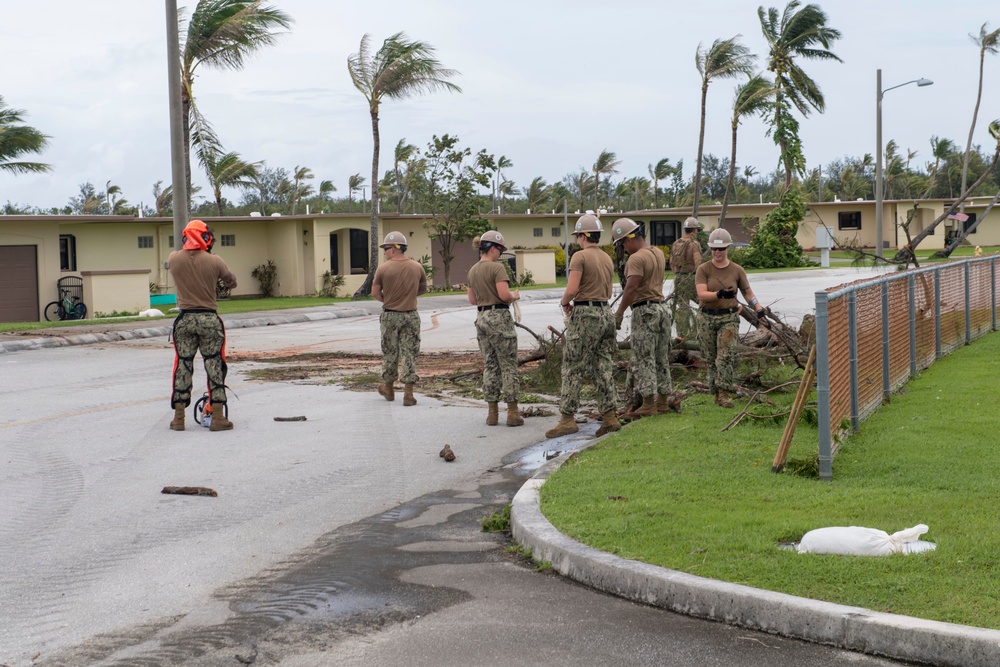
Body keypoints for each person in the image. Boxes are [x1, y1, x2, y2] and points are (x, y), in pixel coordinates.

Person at [546, 214, 621, 439]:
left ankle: (567, 419)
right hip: (605, 313)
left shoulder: (579, 257)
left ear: (582, 235)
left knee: (572, 366)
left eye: (578, 236)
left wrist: (565, 302)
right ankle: (610, 417)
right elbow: (608, 292)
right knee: (602, 366)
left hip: (586, 315)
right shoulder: (607, 258)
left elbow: (571, 289)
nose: (577, 240)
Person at [168, 219, 238, 432]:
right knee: (214, 364)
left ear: (185, 237)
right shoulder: (215, 261)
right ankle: (217, 416)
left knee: (183, 365)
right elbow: (231, 281)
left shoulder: (173, 258)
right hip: (209, 318)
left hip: (185, 319)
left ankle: (178, 418)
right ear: (205, 237)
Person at [695, 228, 769, 408]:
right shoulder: (703, 269)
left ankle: (724, 393)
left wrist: (758, 307)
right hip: (707, 318)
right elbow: (702, 294)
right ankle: (714, 389)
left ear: (728, 248)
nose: (717, 252)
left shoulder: (737, 270)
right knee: (711, 357)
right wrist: (719, 294)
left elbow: (747, 292)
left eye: (721, 249)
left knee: (725, 356)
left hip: (728, 318)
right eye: (713, 249)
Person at [611, 218, 677, 417]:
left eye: (622, 243)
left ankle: (649, 403)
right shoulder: (657, 252)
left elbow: (631, 288)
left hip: (645, 310)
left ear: (629, 238)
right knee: (661, 357)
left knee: (643, 357)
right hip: (662, 308)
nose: (623, 248)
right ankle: (663, 400)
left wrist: (619, 313)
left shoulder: (636, 259)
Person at [466, 230, 524, 427]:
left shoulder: (472, 270)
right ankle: (513, 412)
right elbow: (504, 294)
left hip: (481, 317)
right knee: (508, 364)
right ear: (492, 248)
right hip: (499, 316)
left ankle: (492, 413)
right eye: (500, 249)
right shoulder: (497, 268)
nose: (501, 253)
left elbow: (472, 299)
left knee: (490, 364)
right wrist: (514, 296)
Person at [372, 231, 427, 406]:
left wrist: (387, 299)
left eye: (386, 248)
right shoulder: (417, 267)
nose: (385, 252)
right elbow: (423, 288)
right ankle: (408, 393)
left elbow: (375, 292)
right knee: (409, 352)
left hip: (390, 315)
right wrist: (409, 296)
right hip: (410, 315)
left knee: (390, 352)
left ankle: (388, 387)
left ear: (395, 248)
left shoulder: (383, 268)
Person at [669, 216, 702, 339]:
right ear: (694, 230)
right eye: (697, 230)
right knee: (704, 303)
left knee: (682, 306)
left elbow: (672, 262)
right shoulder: (694, 244)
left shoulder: (677, 243)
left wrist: (678, 275)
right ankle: (697, 331)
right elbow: (697, 261)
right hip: (691, 277)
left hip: (678, 277)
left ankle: (682, 334)